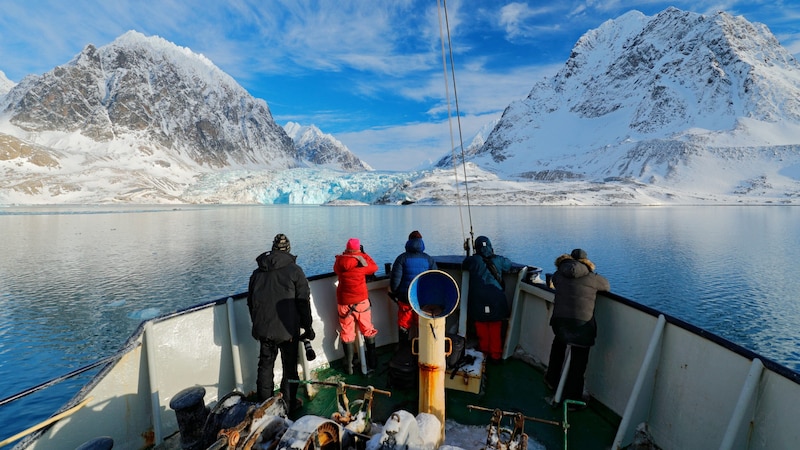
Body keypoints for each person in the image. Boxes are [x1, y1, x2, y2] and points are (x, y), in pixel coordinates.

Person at [247, 233, 314, 411]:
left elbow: (250, 302)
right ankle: (289, 404)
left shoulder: (257, 272)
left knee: (265, 366)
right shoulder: (295, 271)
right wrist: (308, 327)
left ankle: (264, 407)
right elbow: (303, 302)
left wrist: (257, 324)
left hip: (264, 329)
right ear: (288, 249)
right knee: (289, 367)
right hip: (287, 330)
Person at [544, 248, 610, 407]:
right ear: (587, 262)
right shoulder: (593, 278)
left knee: (558, 345)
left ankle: (551, 380)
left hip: (560, 323)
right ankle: (573, 400)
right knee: (578, 360)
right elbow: (606, 286)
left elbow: (554, 281)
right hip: (582, 326)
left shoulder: (559, 274)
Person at [462, 235, 512, 362]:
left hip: (478, 299)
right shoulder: (498, 260)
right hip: (496, 298)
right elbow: (508, 265)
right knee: (495, 326)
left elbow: (465, 264)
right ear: (490, 246)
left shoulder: (474, 260)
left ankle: (483, 353)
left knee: (481, 325)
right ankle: (495, 355)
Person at [333, 238, 379, 374]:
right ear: (358, 249)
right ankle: (372, 362)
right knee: (368, 330)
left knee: (347, 333)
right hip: (361, 303)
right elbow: (374, 267)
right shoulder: (361, 262)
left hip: (344, 303)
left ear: (347, 249)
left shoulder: (339, 261)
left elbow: (336, 269)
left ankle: (349, 367)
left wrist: (347, 255)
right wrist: (363, 255)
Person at [390, 230, 437, 346]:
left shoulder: (401, 258)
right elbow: (435, 279)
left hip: (405, 298)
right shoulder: (429, 259)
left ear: (408, 242)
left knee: (404, 324)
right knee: (422, 324)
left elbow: (395, 281)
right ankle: (422, 351)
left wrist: (396, 293)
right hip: (422, 299)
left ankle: (403, 351)